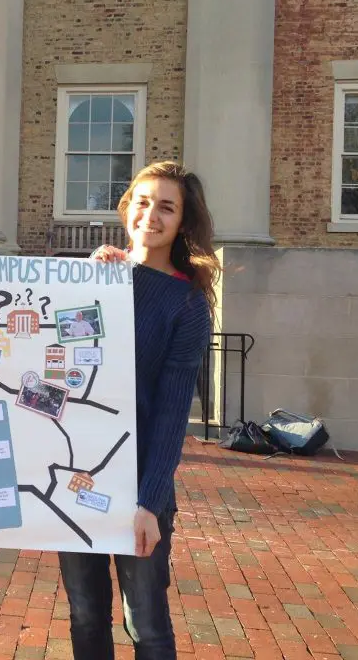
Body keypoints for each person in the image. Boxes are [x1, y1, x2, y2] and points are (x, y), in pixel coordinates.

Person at [57, 161, 220, 660]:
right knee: (86, 616)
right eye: (144, 202)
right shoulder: (92, 276)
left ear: (182, 222)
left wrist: (150, 502)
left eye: (166, 207)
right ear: (128, 207)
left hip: (139, 482)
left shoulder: (187, 303)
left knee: (145, 623)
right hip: (76, 474)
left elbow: (172, 413)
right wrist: (82, 278)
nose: (152, 214)